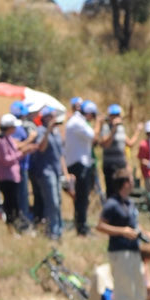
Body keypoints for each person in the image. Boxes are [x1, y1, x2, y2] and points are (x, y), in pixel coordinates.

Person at [96, 173, 149, 300]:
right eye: (131, 181)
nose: (133, 184)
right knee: (123, 284)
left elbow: (134, 225)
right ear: (124, 183)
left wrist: (143, 233)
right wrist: (122, 231)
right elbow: (100, 226)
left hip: (134, 248)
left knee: (137, 282)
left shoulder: (130, 203)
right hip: (119, 250)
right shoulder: (112, 204)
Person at [29, 106, 66, 240]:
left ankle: (59, 229)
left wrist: (65, 172)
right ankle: (53, 231)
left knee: (58, 201)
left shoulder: (57, 132)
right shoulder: (41, 131)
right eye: (51, 116)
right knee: (52, 202)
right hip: (46, 172)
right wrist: (48, 131)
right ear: (45, 118)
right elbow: (41, 148)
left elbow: (61, 154)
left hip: (56, 171)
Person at [65, 99, 98, 235]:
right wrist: (99, 124)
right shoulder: (78, 122)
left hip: (80, 162)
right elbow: (93, 136)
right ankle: (82, 227)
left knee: (82, 198)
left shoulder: (77, 121)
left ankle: (81, 224)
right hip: (80, 163)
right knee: (82, 198)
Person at [0, 114, 24, 230]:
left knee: (14, 203)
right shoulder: (0, 142)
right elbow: (5, 160)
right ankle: (11, 227)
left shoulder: (9, 139)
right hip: (6, 178)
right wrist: (21, 154)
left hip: (13, 177)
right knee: (10, 204)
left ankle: (15, 226)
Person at [97, 103, 132, 196]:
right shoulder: (105, 128)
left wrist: (127, 164)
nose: (116, 117)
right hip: (110, 165)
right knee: (112, 191)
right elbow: (106, 144)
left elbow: (124, 147)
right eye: (114, 115)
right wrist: (113, 130)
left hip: (121, 164)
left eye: (118, 115)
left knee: (122, 190)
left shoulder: (121, 128)